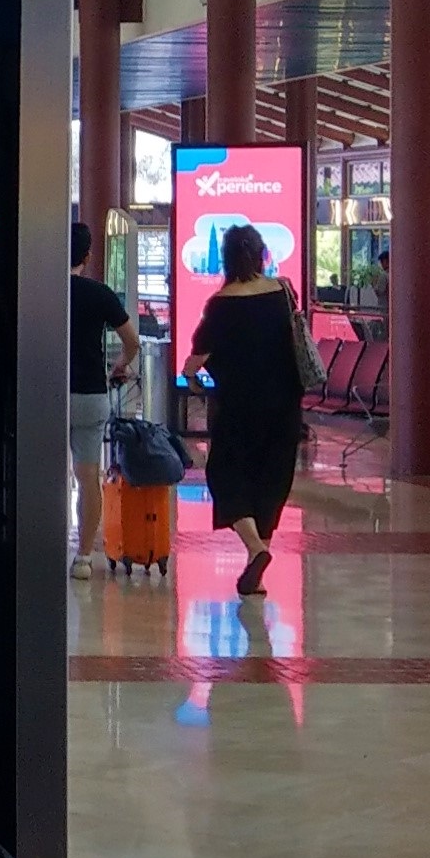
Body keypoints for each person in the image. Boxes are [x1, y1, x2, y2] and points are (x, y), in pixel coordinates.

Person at [184, 219, 306, 598]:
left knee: (226, 476)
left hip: (238, 408)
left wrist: (192, 378)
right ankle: (257, 566)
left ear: (226, 259)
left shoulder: (221, 304)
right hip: (285, 405)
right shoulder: (283, 293)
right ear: (261, 255)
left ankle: (256, 548)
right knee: (272, 479)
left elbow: (196, 359)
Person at [69, 215, 135, 578]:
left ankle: (40, 548)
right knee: (87, 476)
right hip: (90, 394)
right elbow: (132, 342)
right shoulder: (100, 294)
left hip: (47, 393)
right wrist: (119, 366)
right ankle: (83, 557)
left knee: (45, 474)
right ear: (88, 255)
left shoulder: (41, 291)